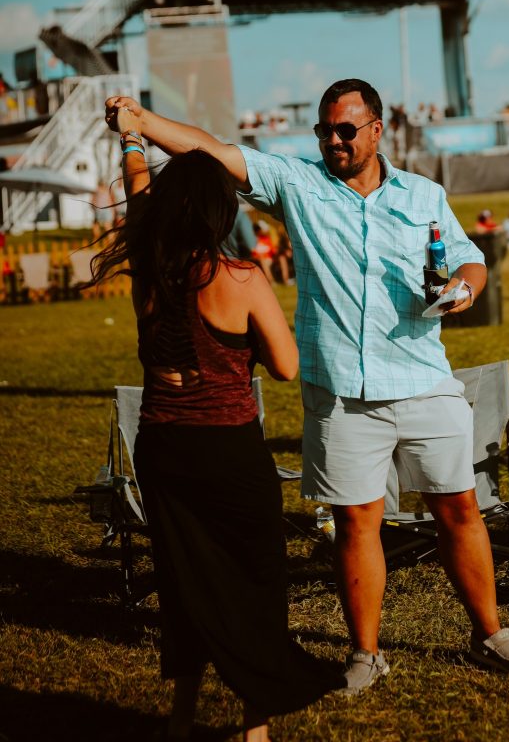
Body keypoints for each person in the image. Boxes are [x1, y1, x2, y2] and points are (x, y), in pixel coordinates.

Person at [104, 79, 509, 689]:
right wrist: (141, 121)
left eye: (345, 130)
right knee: (357, 523)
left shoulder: (424, 194)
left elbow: (471, 257)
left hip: (424, 378)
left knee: (460, 509)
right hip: (340, 390)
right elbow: (213, 152)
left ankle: (490, 635)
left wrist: (464, 287)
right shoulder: (298, 184)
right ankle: (365, 653)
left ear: (377, 130)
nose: (333, 141)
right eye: (323, 131)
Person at [90, 108, 340, 741]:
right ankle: (255, 730)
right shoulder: (241, 278)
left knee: (184, 581)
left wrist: (132, 140)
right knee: (255, 581)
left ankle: (181, 719)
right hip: (228, 449)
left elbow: (139, 198)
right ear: (219, 213)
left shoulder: (149, 266)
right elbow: (285, 366)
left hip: (162, 447)